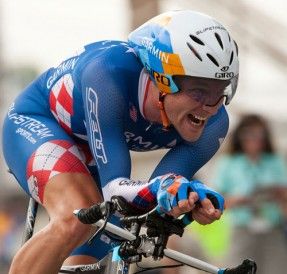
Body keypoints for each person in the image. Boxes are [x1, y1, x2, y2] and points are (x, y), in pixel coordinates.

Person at [2, 10, 239, 274]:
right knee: (77, 216)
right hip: (42, 123)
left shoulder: (215, 123)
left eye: (220, 92)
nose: (210, 107)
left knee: (106, 238)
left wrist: (187, 199)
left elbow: (151, 199)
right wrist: (164, 187)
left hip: (97, 151)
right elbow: (116, 188)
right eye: (199, 91)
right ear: (162, 80)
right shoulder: (108, 74)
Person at [214, 114, 287, 274]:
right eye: (249, 133)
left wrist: (277, 192)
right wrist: (238, 200)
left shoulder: (275, 160)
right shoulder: (228, 163)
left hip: (272, 231)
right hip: (241, 230)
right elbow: (216, 201)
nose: (255, 139)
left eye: (260, 134)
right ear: (240, 136)